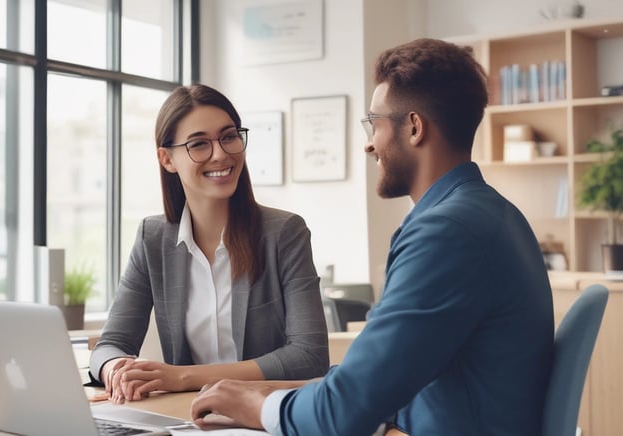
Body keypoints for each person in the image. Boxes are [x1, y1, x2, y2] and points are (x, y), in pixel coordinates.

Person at [190, 38, 555, 435]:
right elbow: (381, 379)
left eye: (374, 124)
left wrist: (254, 407)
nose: (369, 144)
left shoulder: (445, 232)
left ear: (414, 127)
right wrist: (268, 390)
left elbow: (340, 415)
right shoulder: (490, 213)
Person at [89, 84, 329, 404]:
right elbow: (110, 343)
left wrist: (181, 376)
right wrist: (115, 369)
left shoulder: (284, 233)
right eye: (199, 144)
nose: (220, 153)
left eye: (229, 136)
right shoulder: (153, 237)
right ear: (167, 159)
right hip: (188, 417)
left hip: (265, 416)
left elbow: (309, 356)